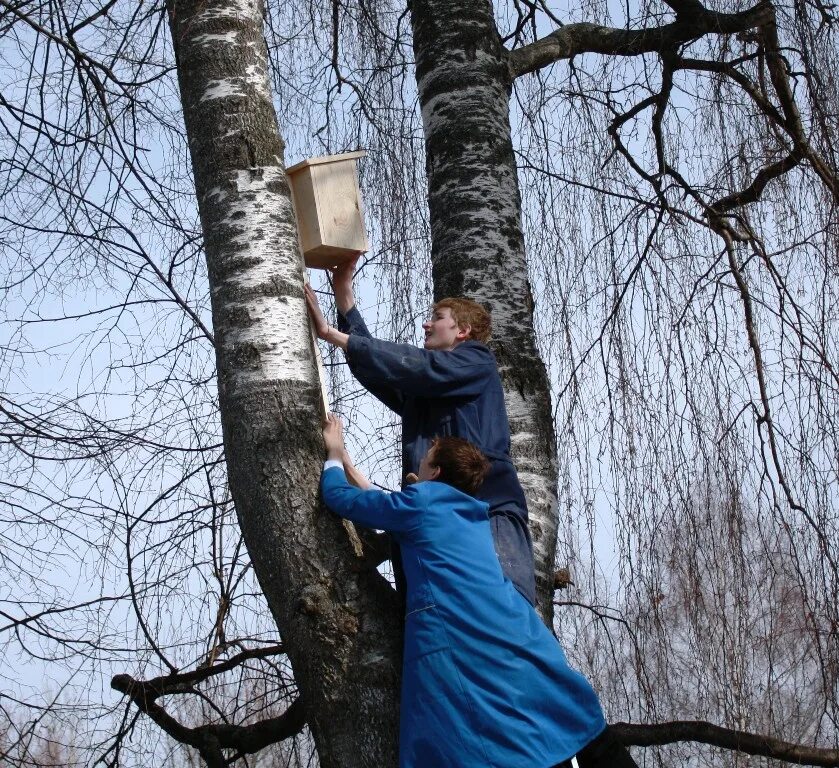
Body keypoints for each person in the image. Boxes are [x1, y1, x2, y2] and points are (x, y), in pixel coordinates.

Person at [320, 415, 637, 768]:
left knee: (478, 738)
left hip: (460, 635)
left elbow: (340, 499)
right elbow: (390, 507)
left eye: (426, 459)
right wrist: (350, 464)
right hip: (512, 629)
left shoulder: (422, 503)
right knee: (557, 718)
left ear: (436, 472)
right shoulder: (466, 514)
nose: (420, 463)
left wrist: (333, 455)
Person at [304, 260, 536, 604]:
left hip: (487, 512)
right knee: (435, 611)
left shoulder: (476, 361)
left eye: (438, 317)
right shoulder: (429, 388)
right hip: (437, 517)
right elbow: (384, 371)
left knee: (501, 605)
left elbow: (421, 368)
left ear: (463, 331)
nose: (427, 323)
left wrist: (333, 335)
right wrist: (345, 299)